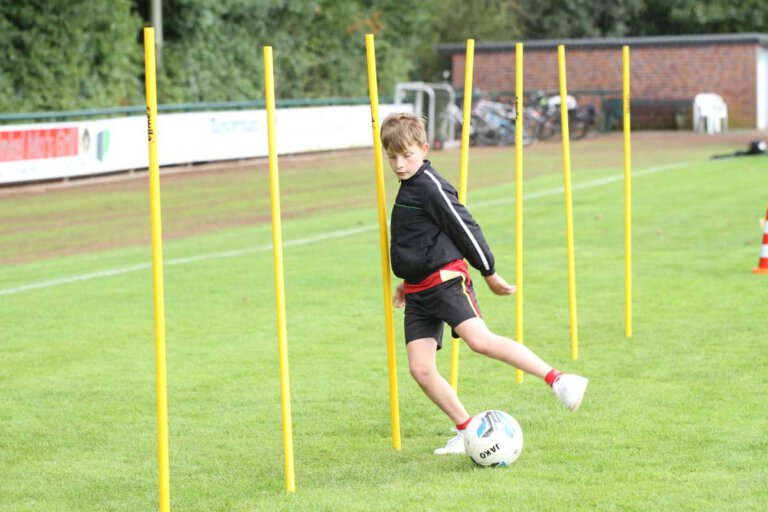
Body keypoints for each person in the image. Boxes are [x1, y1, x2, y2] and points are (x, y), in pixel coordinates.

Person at [380, 112, 588, 455]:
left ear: (424, 148)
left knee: (480, 341)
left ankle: (559, 379)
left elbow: (465, 228)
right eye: (392, 157)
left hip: (445, 282)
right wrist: (406, 280)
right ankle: (466, 430)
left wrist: (488, 271)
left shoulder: (432, 185)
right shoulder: (409, 187)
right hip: (417, 291)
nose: (400, 164)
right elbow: (417, 239)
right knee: (420, 369)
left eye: (407, 155)